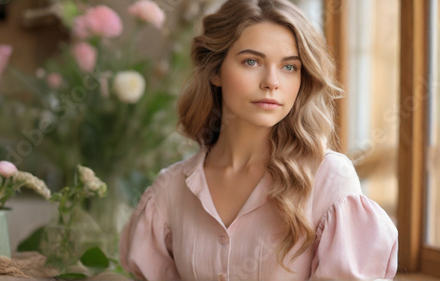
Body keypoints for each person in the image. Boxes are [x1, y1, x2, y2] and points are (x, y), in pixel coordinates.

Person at [119, 0, 398, 280]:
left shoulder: (329, 180)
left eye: (289, 67)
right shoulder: (171, 190)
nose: (271, 82)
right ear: (215, 70)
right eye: (251, 61)